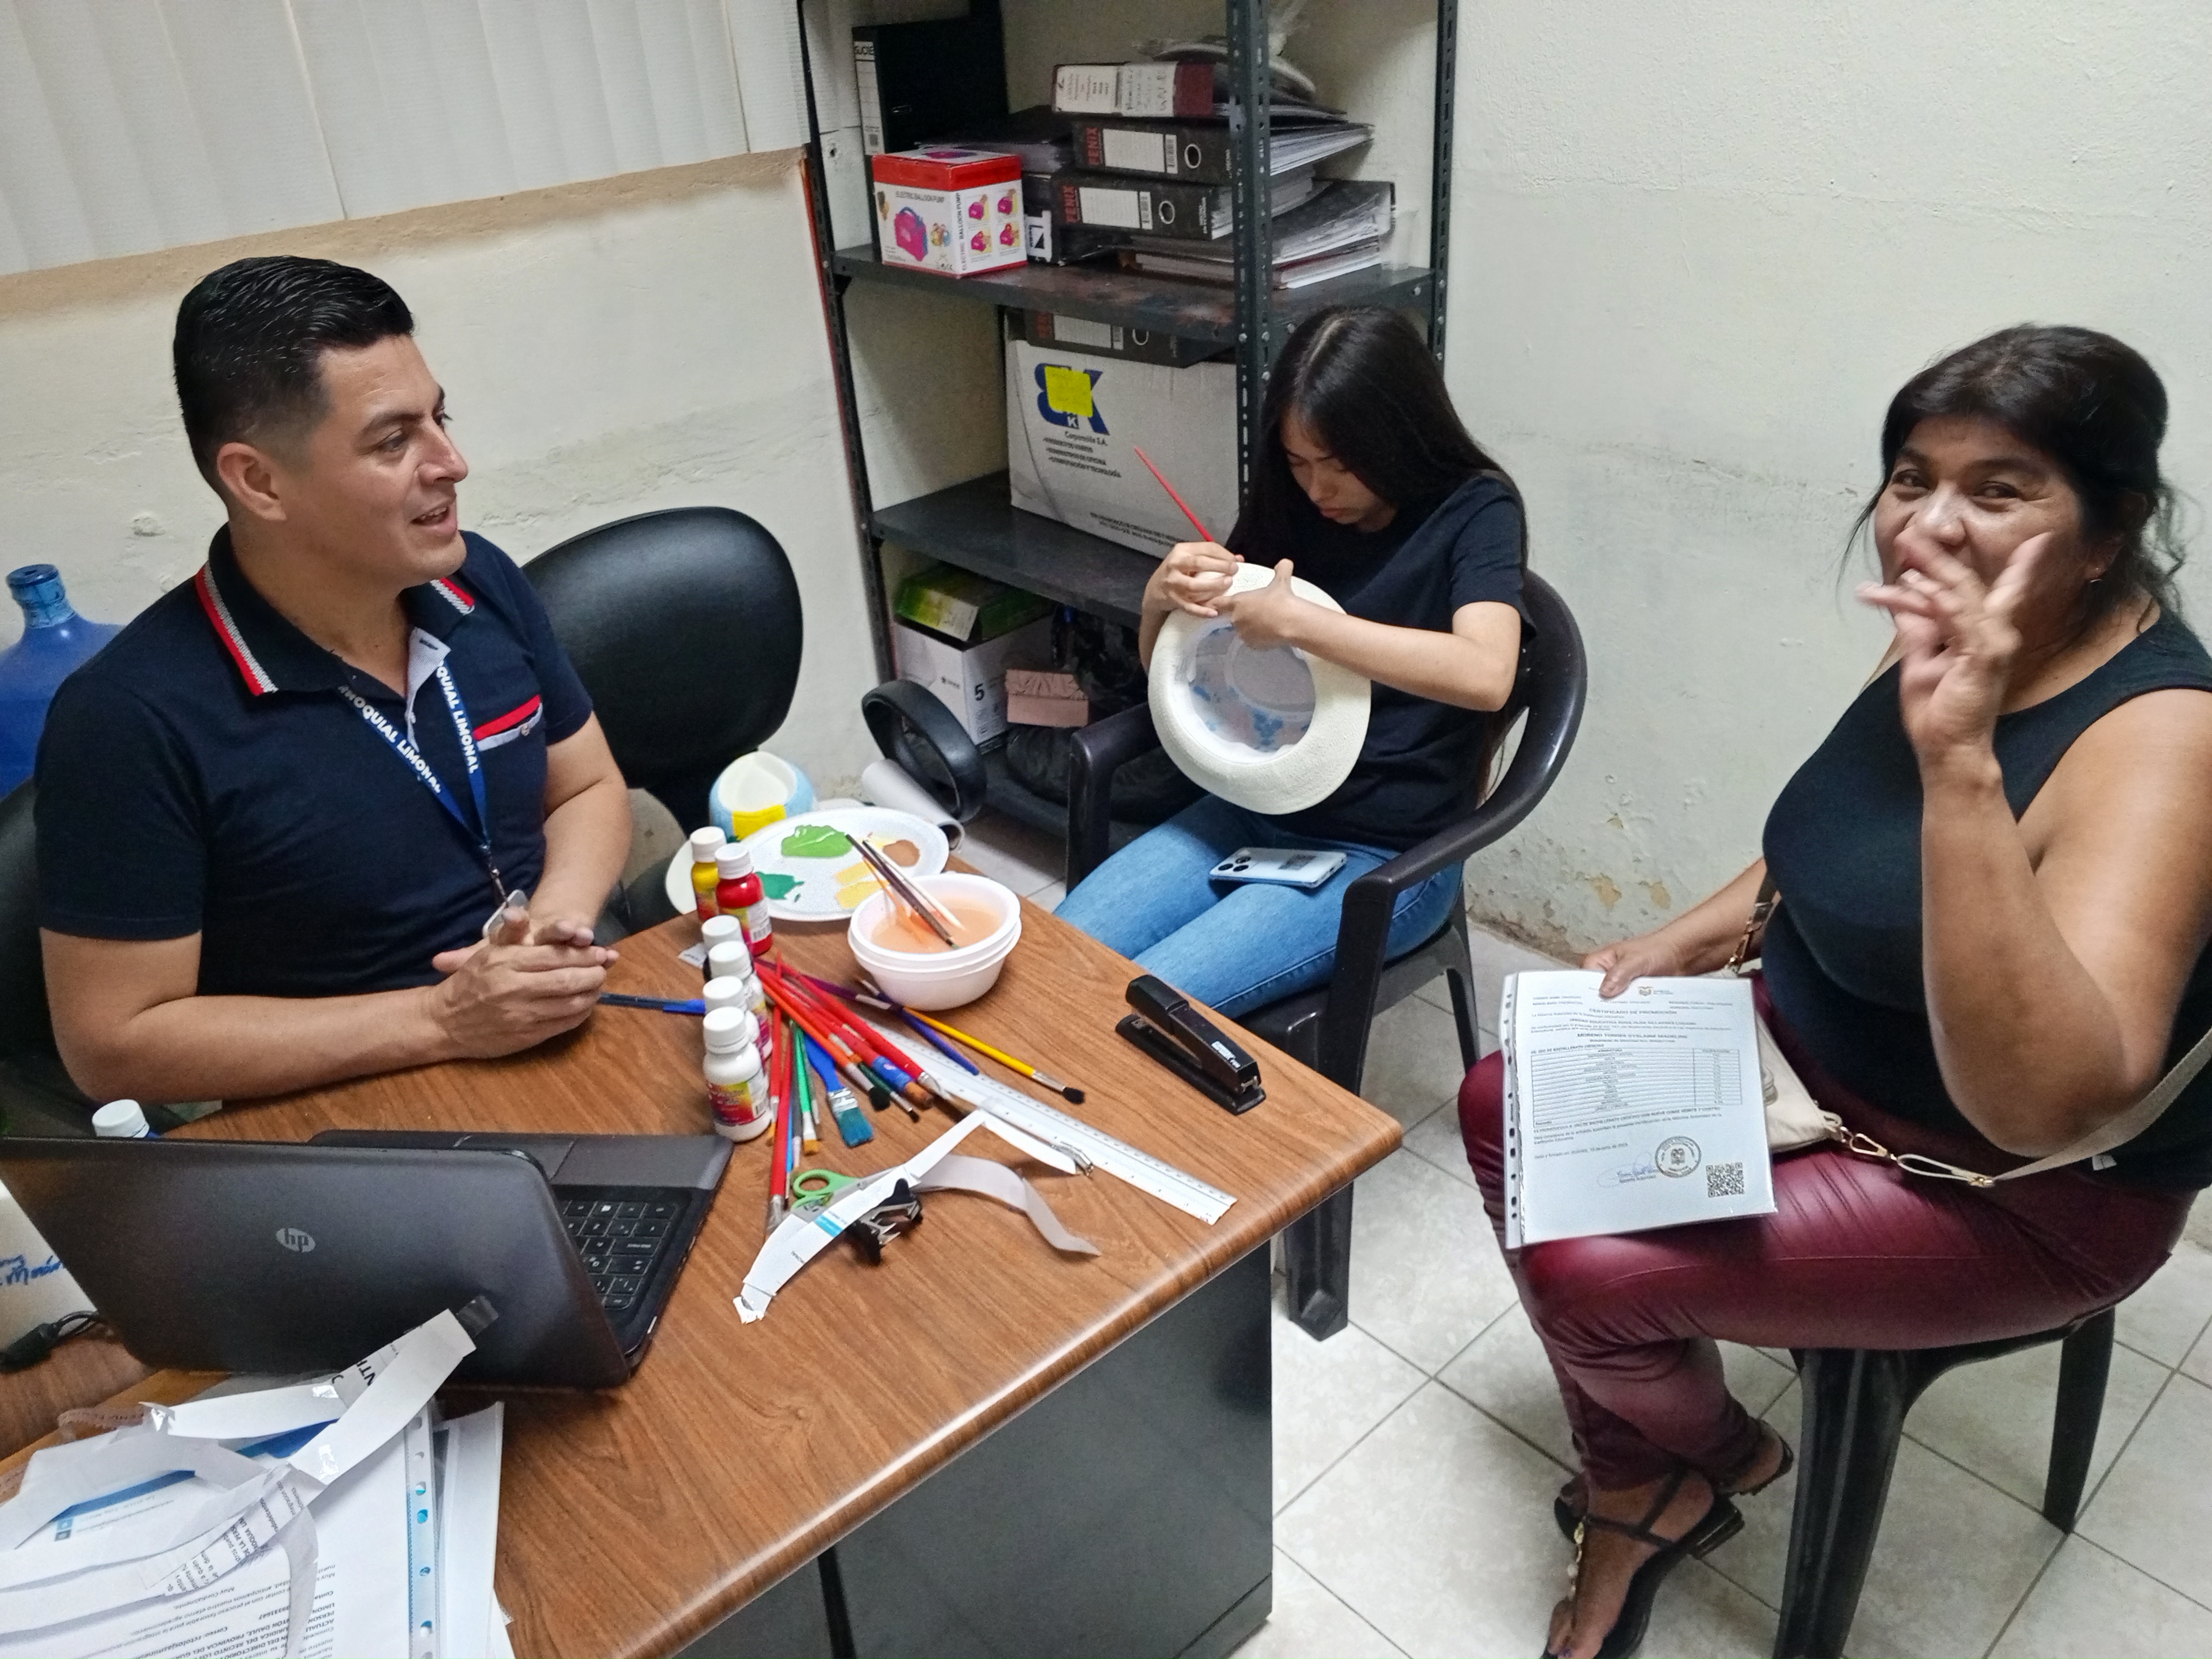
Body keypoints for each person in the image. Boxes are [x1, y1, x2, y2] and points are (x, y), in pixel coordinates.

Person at [1459, 324, 2212, 1659]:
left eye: (2000, 489)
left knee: (1584, 1272)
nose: (1931, 523)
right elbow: (1830, 843)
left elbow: (2044, 1105)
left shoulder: (2162, 739)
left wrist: (1962, 760)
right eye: (1912, 478)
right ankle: (1665, 1465)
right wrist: (1681, 941)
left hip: (2011, 1191)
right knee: (1494, 1102)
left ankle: (1682, 1472)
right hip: (1812, 1058)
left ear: (2108, 532)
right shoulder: (1949, 633)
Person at [35, 256, 634, 1107]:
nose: (452, 462)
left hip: (564, 1024)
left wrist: (546, 932)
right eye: (393, 441)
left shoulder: (476, 581)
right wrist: (444, 1020)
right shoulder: (128, 719)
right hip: (353, 1110)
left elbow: (588, 787)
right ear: (260, 482)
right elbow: (113, 1044)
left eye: (440, 418)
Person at [1055, 307, 1527, 1014]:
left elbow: (1487, 675)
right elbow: (1182, 683)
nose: (1318, 491)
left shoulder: (1476, 510)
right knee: (1055, 962)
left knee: (1137, 1009)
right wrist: (1158, 601)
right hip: (1250, 807)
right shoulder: (1292, 503)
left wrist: (1305, 626)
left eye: (1340, 465)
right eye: (1300, 462)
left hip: (1385, 854)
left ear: (1400, 435)